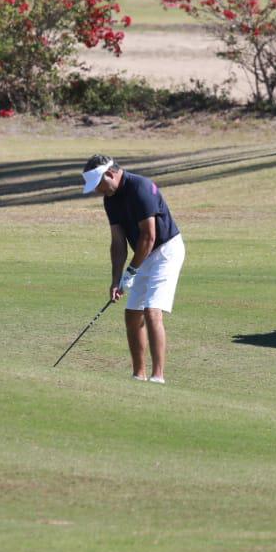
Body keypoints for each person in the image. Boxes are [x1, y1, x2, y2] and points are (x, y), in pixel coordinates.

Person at [81, 154, 186, 383]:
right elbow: (118, 243)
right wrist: (116, 279)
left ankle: (158, 377)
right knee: (132, 314)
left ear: (110, 174)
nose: (98, 190)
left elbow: (149, 236)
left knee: (151, 311)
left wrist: (131, 271)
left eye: (99, 183)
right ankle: (138, 375)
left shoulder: (141, 188)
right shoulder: (110, 199)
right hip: (143, 254)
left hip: (165, 251)